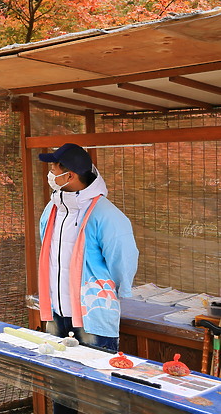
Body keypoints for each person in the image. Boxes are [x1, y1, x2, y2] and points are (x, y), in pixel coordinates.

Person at [37, 143, 139, 414]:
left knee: (101, 395)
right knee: (62, 391)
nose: (50, 173)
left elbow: (123, 260)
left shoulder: (106, 214)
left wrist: (110, 291)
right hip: (57, 314)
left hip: (92, 315)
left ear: (69, 176)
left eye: (53, 168)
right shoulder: (52, 210)